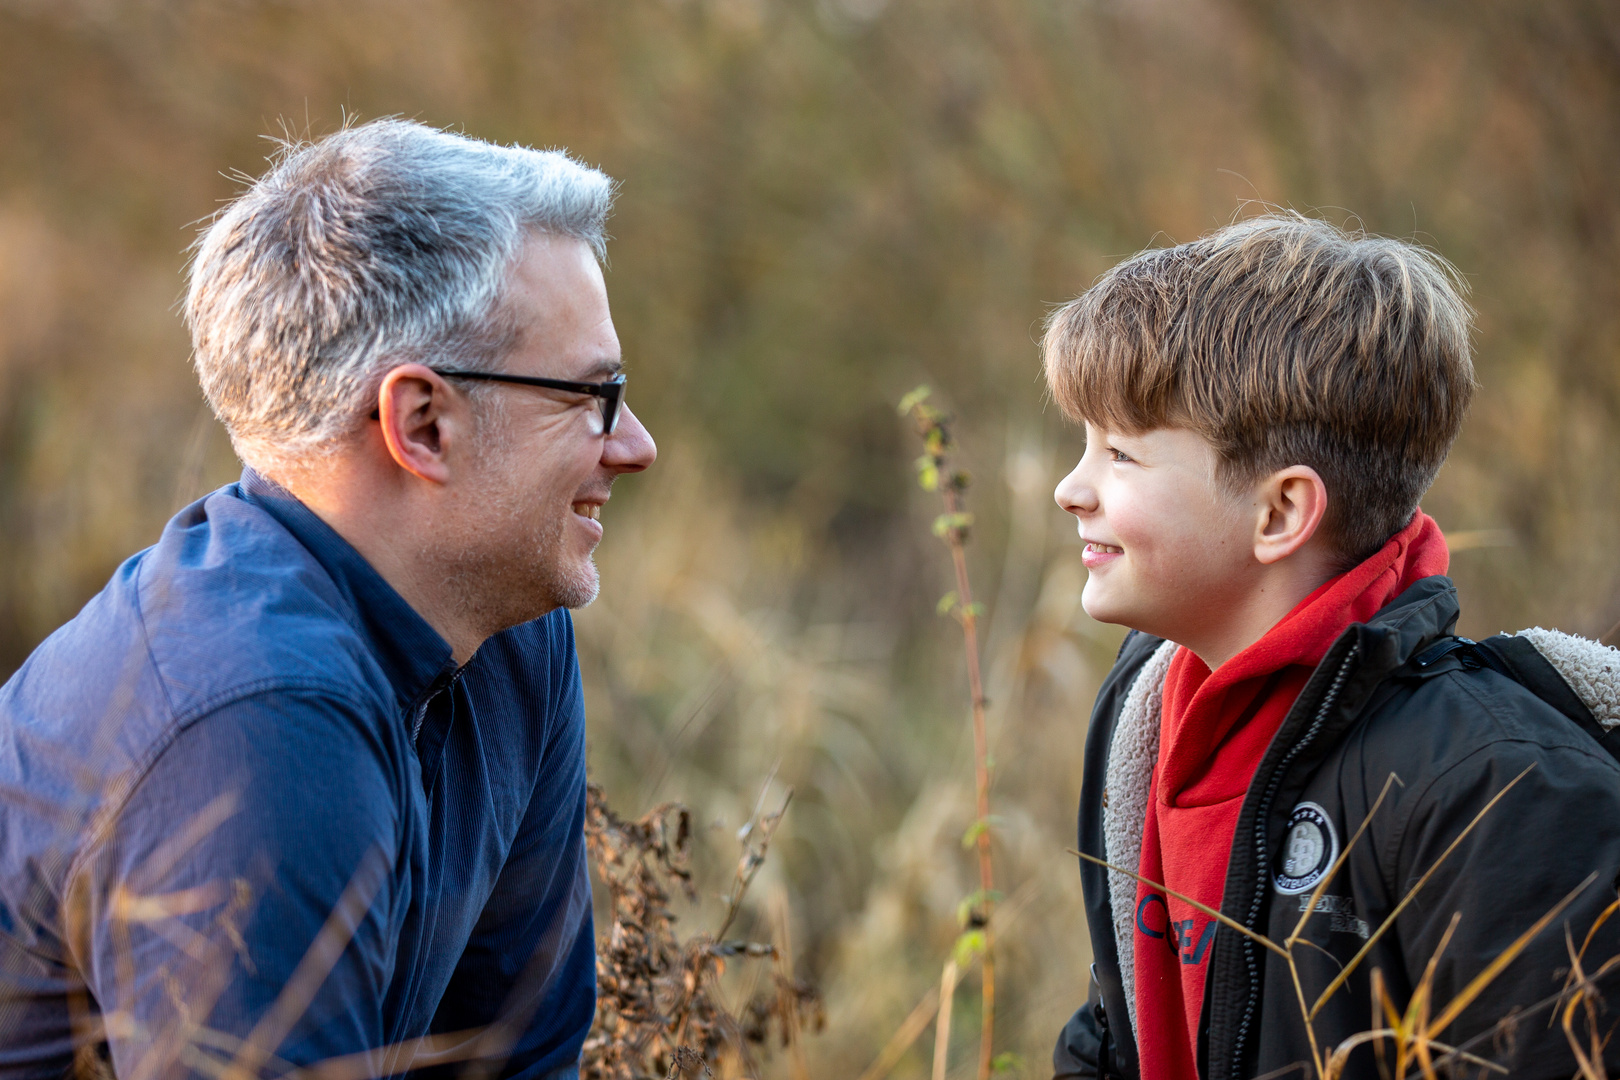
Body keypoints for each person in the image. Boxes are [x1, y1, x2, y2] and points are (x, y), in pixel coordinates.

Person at [0, 119, 656, 1080]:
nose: (636, 444)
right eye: (590, 397)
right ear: (422, 424)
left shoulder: (509, 631)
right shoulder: (253, 723)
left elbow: (515, 1061)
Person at [1045, 214, 1620, 1079]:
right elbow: (1119, 1033)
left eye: (1120, 454)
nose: (1068, 489)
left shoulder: (1502, 795)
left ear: (1280, 513)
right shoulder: (1148, 722)